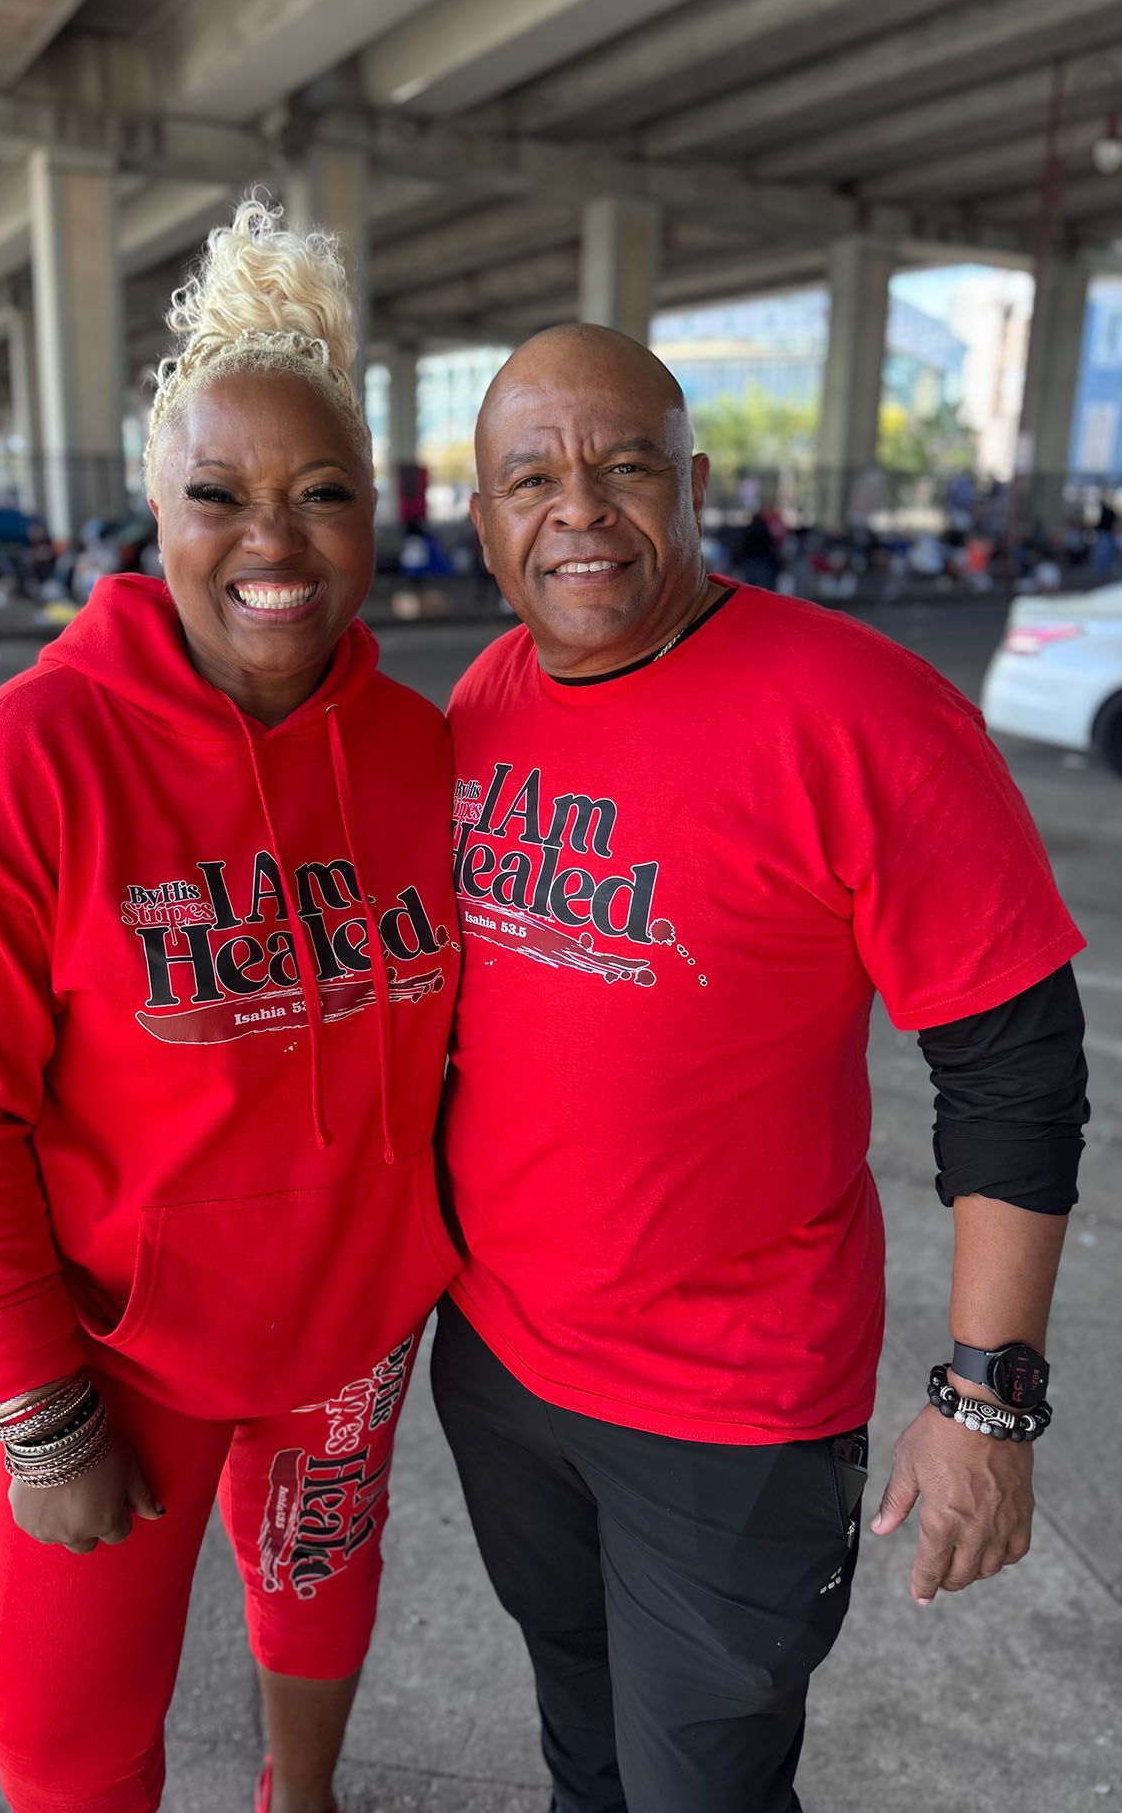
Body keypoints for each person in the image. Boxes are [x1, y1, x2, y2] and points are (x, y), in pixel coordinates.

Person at [435, 324, 1087, 1813]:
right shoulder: (479, 704)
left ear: (698, 483)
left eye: (623, 468)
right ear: (481, 520)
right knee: (582, 1740)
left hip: (724, 1411)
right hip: (499, 1365)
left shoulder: (863, 714)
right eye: (529, 477)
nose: (578, 510)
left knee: (705, 1789)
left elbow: (1015, 1063)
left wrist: (988, 1400)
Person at [0, 201, 462, 1813]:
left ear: (373, 518)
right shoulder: (28, 765)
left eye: (321, 497)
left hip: (349, 1329)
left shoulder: (426, 755)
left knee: (317, 1589)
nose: (273, 541)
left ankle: (304, 1800)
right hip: (115, 1354)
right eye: (221, 496)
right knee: (62, 1719)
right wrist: (42, 1413)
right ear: (156, 508)